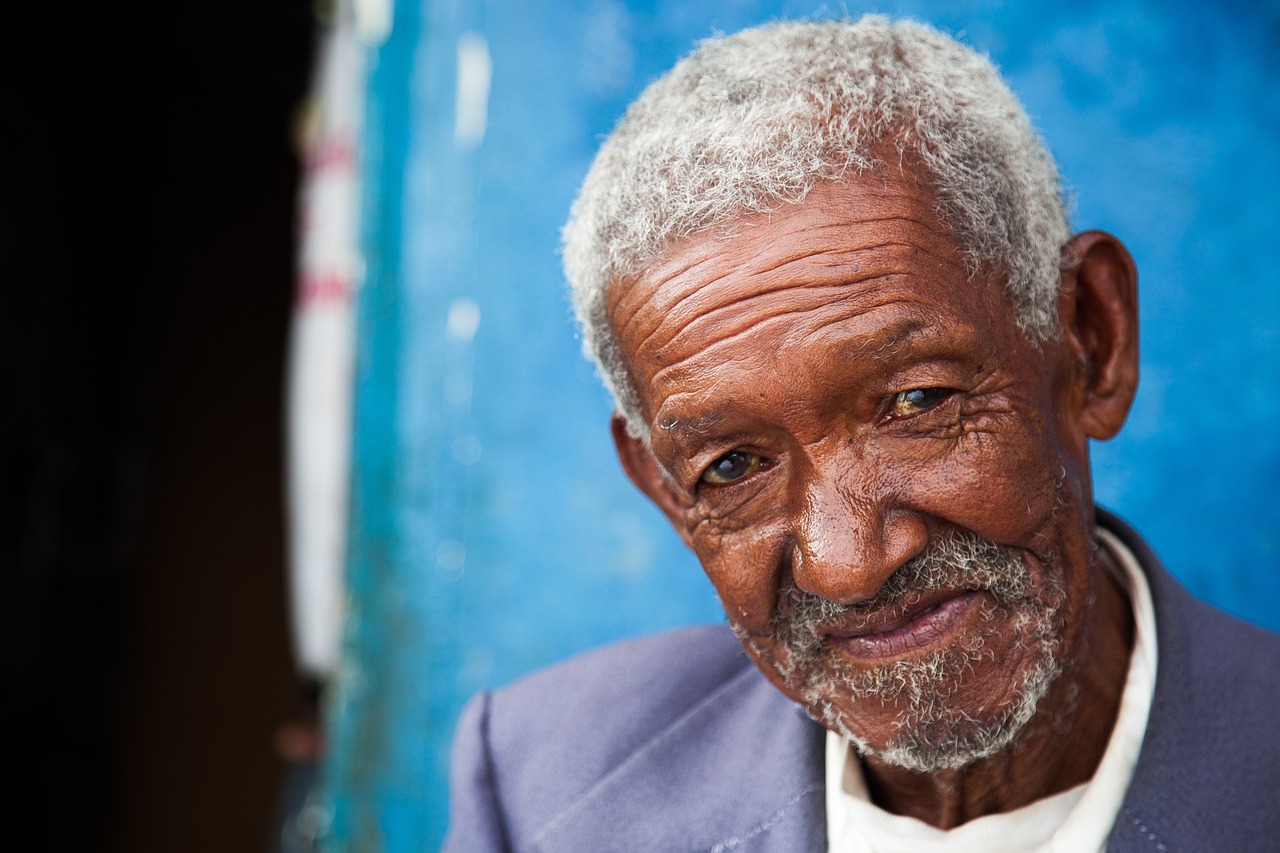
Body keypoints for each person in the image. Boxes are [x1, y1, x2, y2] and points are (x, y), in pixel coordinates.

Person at [444, 16, 1280, 852]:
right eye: (732, 465)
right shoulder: (544, 791)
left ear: (1091, 340)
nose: (847, 564)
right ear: (667, 490)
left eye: (917, 402)